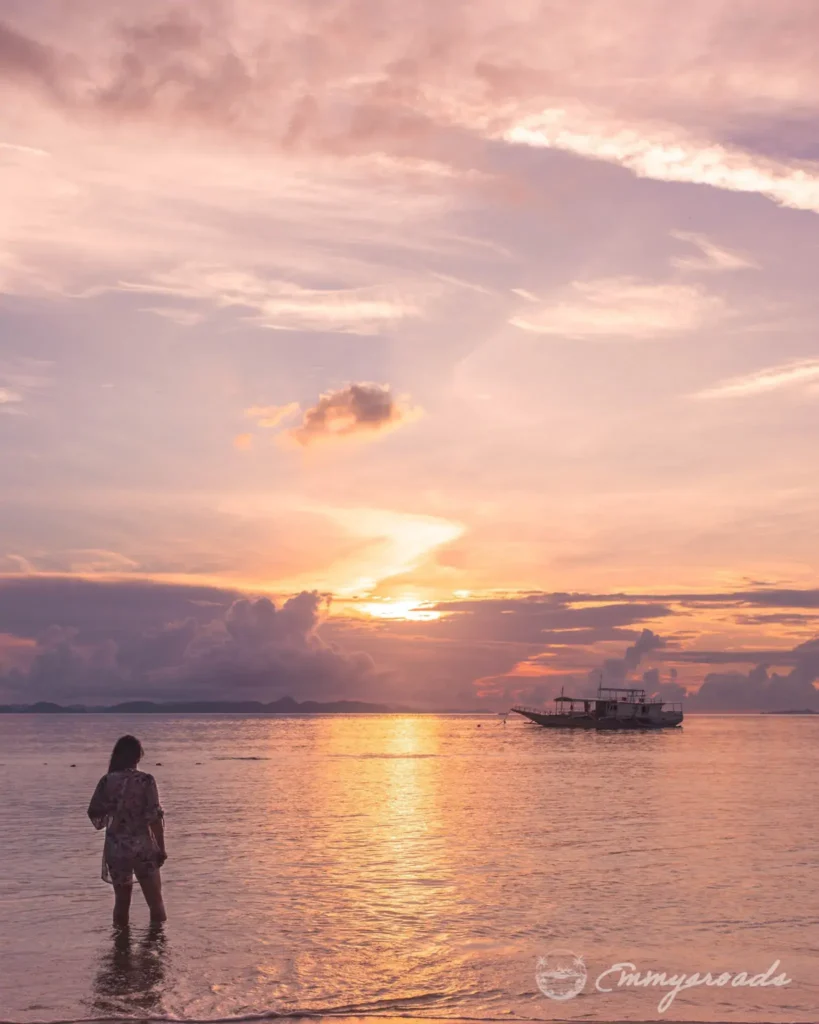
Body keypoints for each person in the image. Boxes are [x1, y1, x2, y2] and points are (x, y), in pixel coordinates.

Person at [88, 735, 168, 927]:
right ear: (138, 756)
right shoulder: (146, 780)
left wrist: (114, 813)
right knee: (155, 903)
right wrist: (161, 848)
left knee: (121, 904)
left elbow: (94, 813)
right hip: (142, 848)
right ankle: (156, 942)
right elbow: (154, 818)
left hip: (116, 849)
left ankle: (120, 943)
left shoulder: (107, 781)